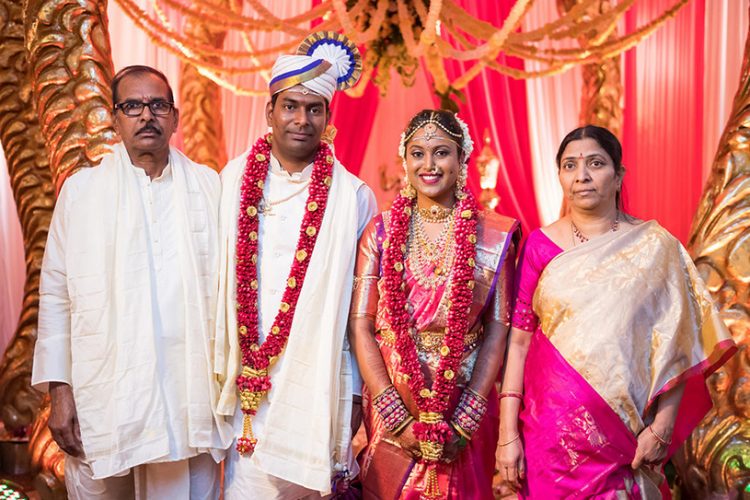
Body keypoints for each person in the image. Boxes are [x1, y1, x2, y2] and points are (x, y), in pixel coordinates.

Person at [497, 125, 737, 497]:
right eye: (570, 165)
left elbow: (681, 344)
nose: (582, 176)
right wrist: (506, 434)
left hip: (628, 435)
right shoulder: (539, 246)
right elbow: (519, 342)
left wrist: (663, 426)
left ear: (619, 174)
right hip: (550, 434)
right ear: (559, 174)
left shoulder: (655, 248)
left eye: (595, 163)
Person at [31, 65, 230, 499]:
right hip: (104, 395)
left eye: (158, 105)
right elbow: (56, 295)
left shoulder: (209, 187)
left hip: (187, 398)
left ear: (175, 118)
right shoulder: (81, 193)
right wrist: (59, 392)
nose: (147, 116)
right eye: (133, 106)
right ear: (114, 117)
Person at [214, 31, 377, 499]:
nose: (301, 119)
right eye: (290, 106)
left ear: (328, 118)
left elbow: (359, 313)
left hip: (315, 382)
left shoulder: (353, 197)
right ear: (269, 111)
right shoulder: (230, 180)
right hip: (243, 384)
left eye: (314, 109)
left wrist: (353, 400)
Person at [349, 109, 520, 498]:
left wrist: (468, 415)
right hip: (393, 392)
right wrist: (392, 412)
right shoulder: (379, 231)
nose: (428, 165)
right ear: (404, 159)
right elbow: (361, 324)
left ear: (461, 159)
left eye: (441, 152)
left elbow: (498, 329)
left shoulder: (493, 234)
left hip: (465, 398)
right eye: (417, 153)